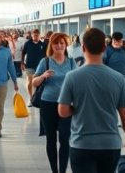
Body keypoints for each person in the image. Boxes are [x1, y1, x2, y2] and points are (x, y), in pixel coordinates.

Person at [58, 28, 125, 173]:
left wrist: (78, 108)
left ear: (82, 48)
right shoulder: (118, 78)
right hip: (110, 144)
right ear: (105, 48)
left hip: (81, 144)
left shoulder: (72, 76)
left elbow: (62, 111)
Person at [33, 33, 76, 173]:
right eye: (56, 43)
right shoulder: (45, 62)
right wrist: (43, 76)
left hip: (66, 105)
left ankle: (62, 170)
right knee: (51, 139)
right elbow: (34, 82)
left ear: (66, 44)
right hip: (48, 104)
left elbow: (77, 83)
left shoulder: (71, 62)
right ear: (51, 45)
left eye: (62, 43)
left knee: (65, 139)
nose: (59, 46)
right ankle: (54, 170)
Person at [22, 29, 46, 105]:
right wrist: (22, 63)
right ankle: (31, 97)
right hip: (29, 65)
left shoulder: (42, 44)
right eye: (34, 35)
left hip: (40, 67)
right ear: (32, 35)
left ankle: (37, 97)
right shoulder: (27, 44)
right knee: (30, 82)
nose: (36, 37)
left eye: (37, 35)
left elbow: (45, 55)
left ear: (39, 36)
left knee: (38, 83)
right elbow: (23, 53)